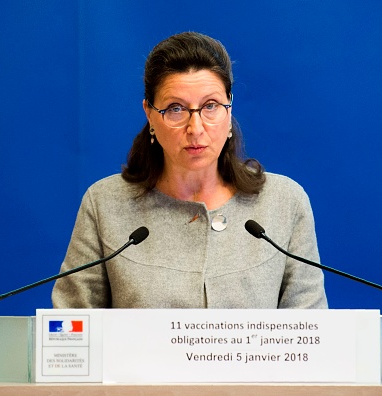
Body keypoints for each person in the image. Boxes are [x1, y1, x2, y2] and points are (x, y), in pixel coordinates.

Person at [51, 32, 327, 309]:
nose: (195, 129)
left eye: (210, 106)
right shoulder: (104, 205)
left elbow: (312, 333)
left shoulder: (284, 202)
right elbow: (70, 335)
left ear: (229, 109)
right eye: (175, 109)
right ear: (149, 114)